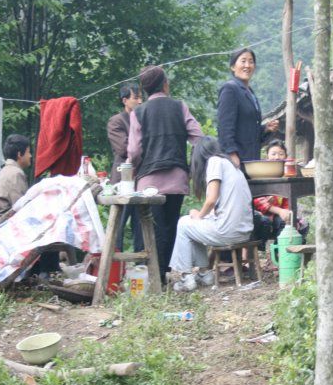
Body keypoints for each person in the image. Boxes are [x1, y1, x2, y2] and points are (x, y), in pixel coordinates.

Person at [128, 65, 203, 285]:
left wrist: (133, 171)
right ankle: (162, 274)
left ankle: (152, 277)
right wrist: (191, 168)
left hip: (148, 183)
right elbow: (199, 138)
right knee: (169, 227)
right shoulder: (180, 107)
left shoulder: (138, 112)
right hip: (177, 179)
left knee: (150, 229)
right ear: (165, 85)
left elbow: (134, 151)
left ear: (144, 90)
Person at [169, 137, 253, 292]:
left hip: (227, 231)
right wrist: (200, 217)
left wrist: (199, 215)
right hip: (244, 232)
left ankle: (186, 277)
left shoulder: (214, 162)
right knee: (193, 226)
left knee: (183, 223)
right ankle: (204, 274)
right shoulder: (231, 165)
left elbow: (211, 199)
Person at [216, 48, 279, 169]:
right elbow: (224, 127)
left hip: (251, 159)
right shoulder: (230, 89)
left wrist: (265, 129)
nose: (247, 65)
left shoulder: (250, 92)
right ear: (233, 67)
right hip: (236, 160)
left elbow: (248, 131)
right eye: (243, 61)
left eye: (251, 62)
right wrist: (231, 153)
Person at [107, 82, 143, 252]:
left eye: (141, 97)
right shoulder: (117, 121)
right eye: (136, 98)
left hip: (141, 179)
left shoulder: (143, 119)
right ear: (125, 100)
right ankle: (114, 263)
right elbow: (123, 149)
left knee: (141, 223)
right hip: (123, 178)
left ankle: (141, 262)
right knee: (118, 224)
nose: (140, 101)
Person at [252, 140, 308, 246]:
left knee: (302, 224)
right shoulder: (260, 173)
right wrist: (280, 211)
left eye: (281, 154)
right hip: (262, 215)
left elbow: (288, 201)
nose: (277, 157)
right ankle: (280, 251)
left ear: (285, 156)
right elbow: (258, 201)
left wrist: (286, 212)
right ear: (267, 156)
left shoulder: (286, 174)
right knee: (282, 222)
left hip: (279, 215)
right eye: (273, 154)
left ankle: (287, 251)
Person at [0, 134, 31, 221]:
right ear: (19, 154)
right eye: (28, 152)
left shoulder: (5, 170)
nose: (30, 156)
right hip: (5, 222)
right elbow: (20, 206)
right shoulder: (16, 173)